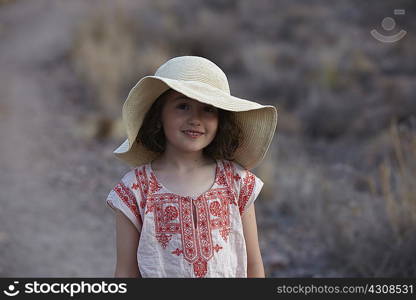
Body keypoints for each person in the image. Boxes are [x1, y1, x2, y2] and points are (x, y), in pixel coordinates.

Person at [105, 56, 278, 278]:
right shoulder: (135, 190)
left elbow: (253, 266)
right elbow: (126, 273)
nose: (195, 119)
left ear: (220, 120)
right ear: (159, 116)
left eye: (207, 109)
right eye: (183, 106)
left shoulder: (237, 181)